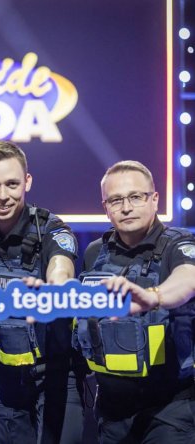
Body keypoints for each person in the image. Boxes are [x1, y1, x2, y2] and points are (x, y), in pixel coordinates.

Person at [0, 140, 84, 444]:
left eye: (12, 184)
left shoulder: (52, 229)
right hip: (5, 381)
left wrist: (52, 292)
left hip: (55, 376)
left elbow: (61, 269)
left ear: (27, 182)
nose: (3, 195)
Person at [75, 160, 195, 443]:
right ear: (105, 207)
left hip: (170, 411)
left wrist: (154, 297)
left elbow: (188, 278)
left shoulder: (178, 244)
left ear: (154, 199)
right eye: (116, 200)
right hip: (111, 412)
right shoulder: (94, 253)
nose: (126, 207)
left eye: (136, 197)